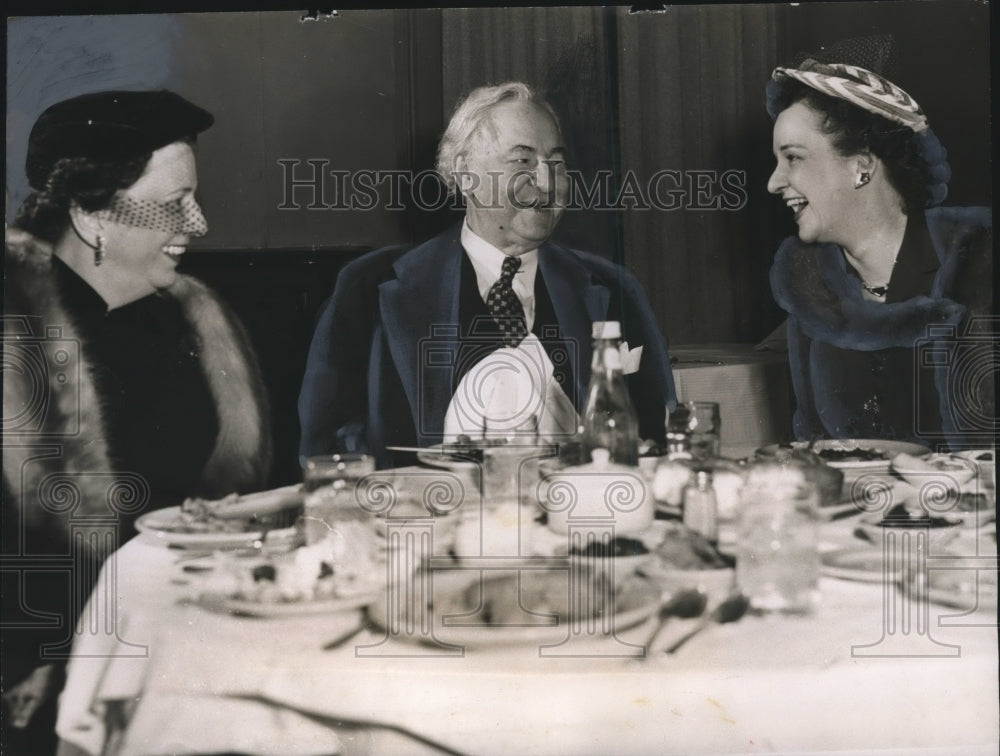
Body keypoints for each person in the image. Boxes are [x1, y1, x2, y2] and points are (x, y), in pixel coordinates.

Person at [2, 90, 271, 753]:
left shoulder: (197, 323)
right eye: (174, 203)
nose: (199, 223)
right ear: (91, 216)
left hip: (193, 653)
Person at [299, 82, 676, 466]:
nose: (546, 184)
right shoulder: (369, 288)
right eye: (523, 162)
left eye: (557, 163)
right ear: (466, 175)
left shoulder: (613, 288)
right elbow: (328, 449)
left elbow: (659, 438)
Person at [765, 36, 992, 451]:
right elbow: (812, 443)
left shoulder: (979, 264)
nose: (774, 182)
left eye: (793, 158)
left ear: (862, 167)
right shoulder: (810, 287)